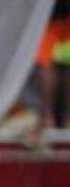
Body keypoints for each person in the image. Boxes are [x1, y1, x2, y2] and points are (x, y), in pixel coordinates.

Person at [38, 0, 70, 130]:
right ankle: (51, 118)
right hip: (47, 19)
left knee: (49, 66)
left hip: (50, 18)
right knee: (47, 66)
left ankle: (50, 118)